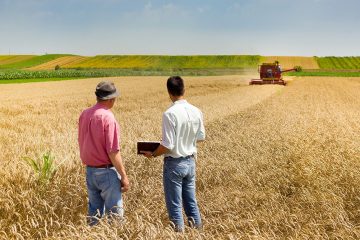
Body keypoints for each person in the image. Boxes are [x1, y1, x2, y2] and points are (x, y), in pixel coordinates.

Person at [142, 76, 205, 232]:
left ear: (169, 92)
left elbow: (168, 145)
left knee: (175, 206)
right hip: (190, 162)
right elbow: (201, 137)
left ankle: (178, 235)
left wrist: (153, 153)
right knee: (191, 202)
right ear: (184, 89)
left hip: (175, 164)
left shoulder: (169, 113)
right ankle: (198, 234)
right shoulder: (196, 111)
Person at [78, 81, 130, 226]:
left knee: (94, 214)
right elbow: (113, 151)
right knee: (115, 217)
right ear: (111, 99)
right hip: (106, 172)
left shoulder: (85, 114)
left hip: (90, 171)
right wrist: (124, 176)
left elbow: (81, 141)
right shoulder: (108, 117)